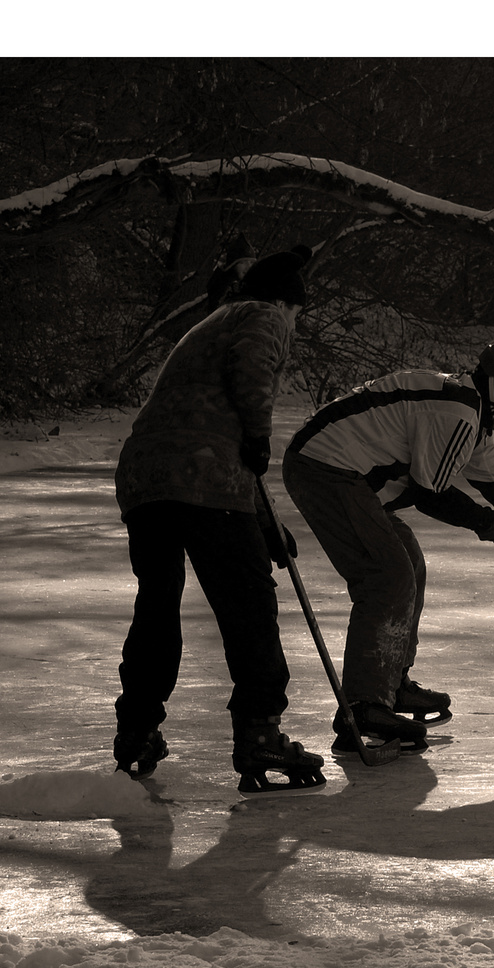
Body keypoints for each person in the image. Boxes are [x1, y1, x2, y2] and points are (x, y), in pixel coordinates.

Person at [281, 334, 494, 757]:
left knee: (408, 559)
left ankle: (391, 683)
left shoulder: (474, 419)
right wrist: (486, 523)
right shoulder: (458, 412)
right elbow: (431, 495)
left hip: (343, 472)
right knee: (387, 574)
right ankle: (363, 706)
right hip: (324, 467)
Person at [112, 248, 326, 794]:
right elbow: (251, 370)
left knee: (157, 604)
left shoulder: (209, 323)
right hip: (203, 478)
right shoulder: (266, 315)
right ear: (286, 301)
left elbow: (204, 421)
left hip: (145, 476)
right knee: (249, 603)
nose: (294, 325)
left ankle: (137, 729)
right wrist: (259, 433)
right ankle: (260, 732)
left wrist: (263, 525)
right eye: (298, 314)